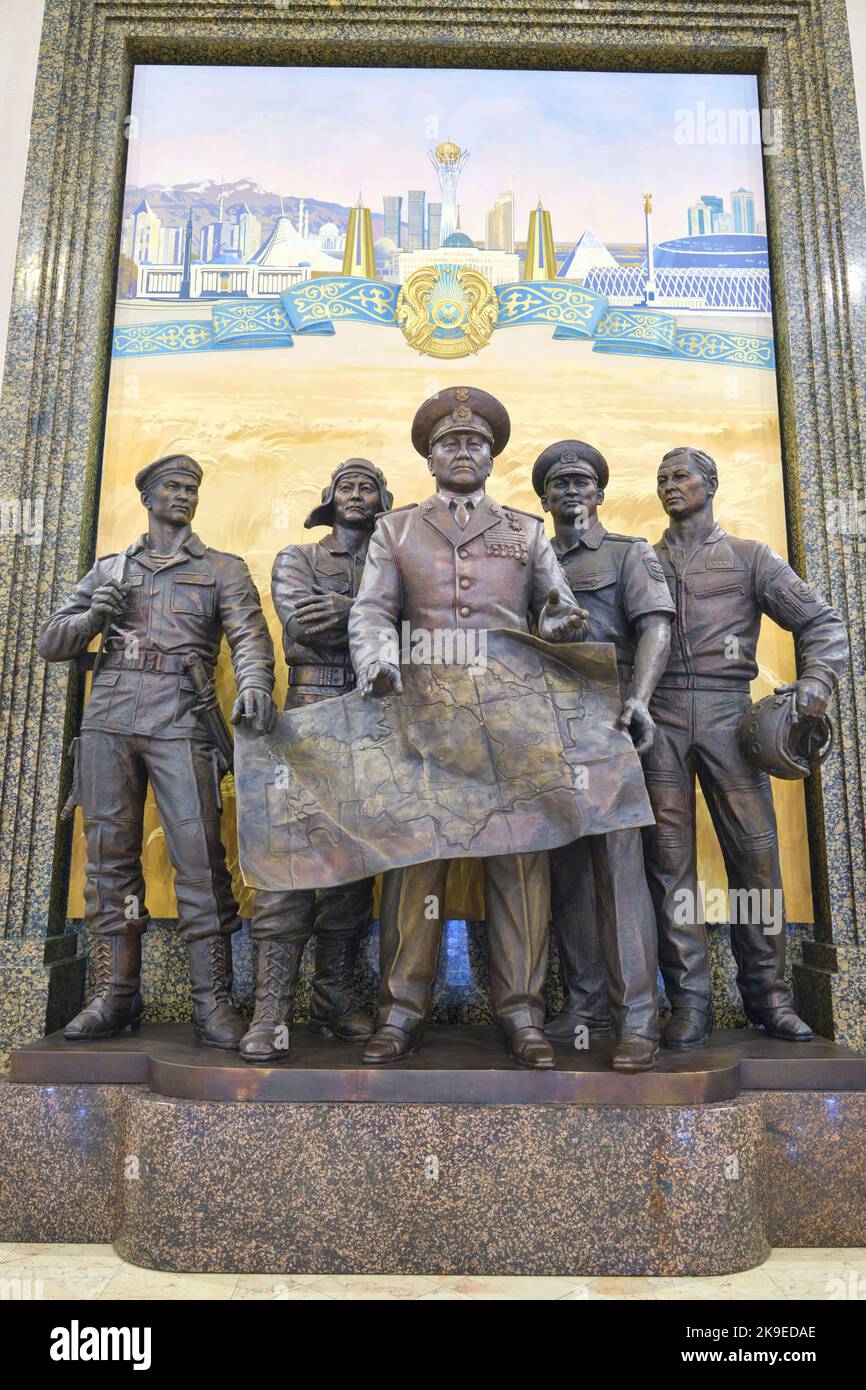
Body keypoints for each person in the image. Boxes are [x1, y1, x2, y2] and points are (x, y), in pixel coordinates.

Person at [348, 387, 587, 1070]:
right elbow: (370, 613)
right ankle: (400, 1011)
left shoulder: (526, 531)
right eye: (450, 443)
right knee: (414, 864)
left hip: (512, 718)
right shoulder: (395, 530)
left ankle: (522, 1013)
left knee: (519, 865)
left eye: (475, 443)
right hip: (422, 714)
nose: (463, 451)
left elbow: (559, 608)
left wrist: (561, 622)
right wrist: (378, 662)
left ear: (490, 456)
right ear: (429, 458)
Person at [37, 454, 276, 1049]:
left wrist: (253, 686)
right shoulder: (110, 568)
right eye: (173, 486)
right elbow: (51, 642)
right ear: (147, 497)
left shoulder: (222, 568)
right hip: (111, 717)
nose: (184, 495)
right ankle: (115, 994)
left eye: (192, 488)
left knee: (199, 858)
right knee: (110, 861)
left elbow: (249, 636)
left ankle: (213, 1002)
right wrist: (94, 614)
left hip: (181, 715)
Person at [643, 446, 849, 1048]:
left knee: (755, 860)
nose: (669, 485)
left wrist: (816, 681)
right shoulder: (644, 562)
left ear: (711, 484)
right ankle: (689, 1003)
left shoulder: (750, 557)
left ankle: (769, 996)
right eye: (662, 479)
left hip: (730, 713)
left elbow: (824, 624)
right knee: (667, 863)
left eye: (680, 476)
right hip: (660, 718)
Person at [240, 459, 393, 1063]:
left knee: (355, 863)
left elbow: (414, 632)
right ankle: (271, 1010)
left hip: (376, 715)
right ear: (328, 497)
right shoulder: (297, 559)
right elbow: (302, 632)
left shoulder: (395, 563)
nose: (357, 494)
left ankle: (333, 996)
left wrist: (354, 610)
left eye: (369, 487)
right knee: (288, 862)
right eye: (347, 486)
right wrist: (373, 616)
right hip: (308, 712)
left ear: (385, 499)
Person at [533, 440, 674, 1072]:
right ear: (543, 496)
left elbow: (656, 628)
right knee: (566, 873)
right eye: (558, 482)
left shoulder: (628, 553)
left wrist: (640, 700)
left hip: (609, 718)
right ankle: (585, 1007)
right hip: (544, 725)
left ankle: (637, 1019)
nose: (570, 490)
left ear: (598, 493)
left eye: (581, 481)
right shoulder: (531, 562)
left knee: (619, 873)